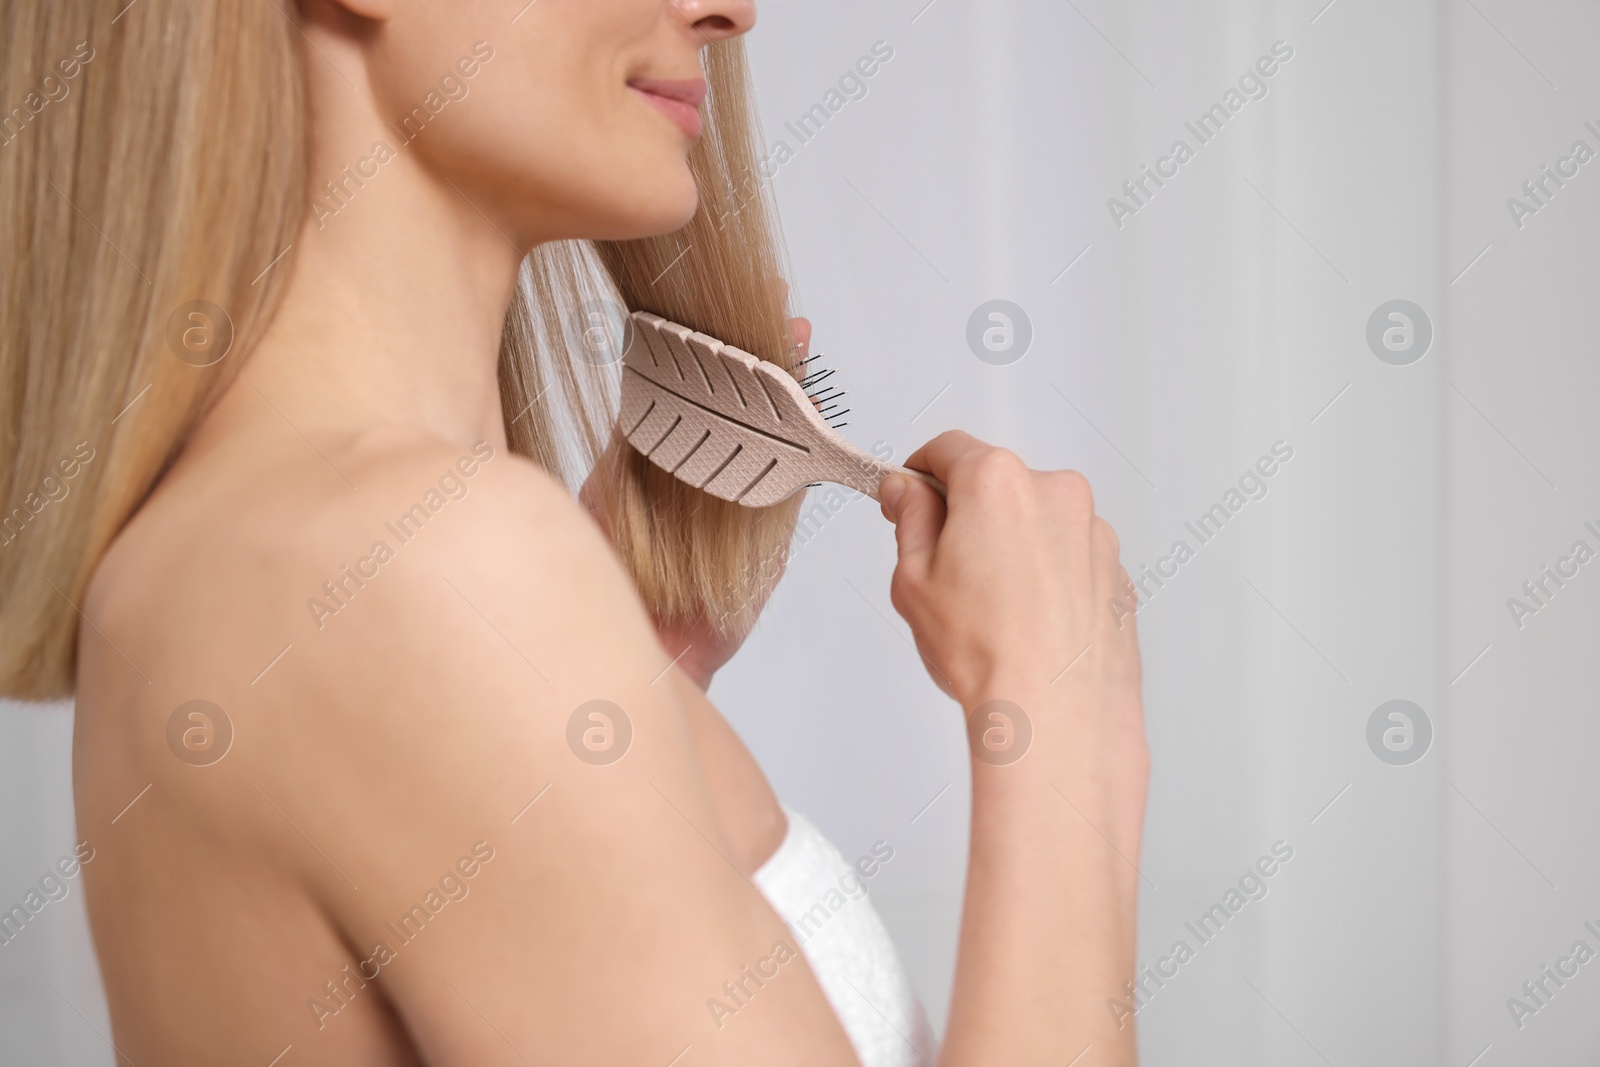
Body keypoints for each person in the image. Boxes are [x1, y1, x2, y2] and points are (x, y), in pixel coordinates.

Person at [0, 0, 1148, 1062]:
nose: (730, 8)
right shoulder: (427, 566)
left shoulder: (206, 556)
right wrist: (1053, 717)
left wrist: (629, 691)